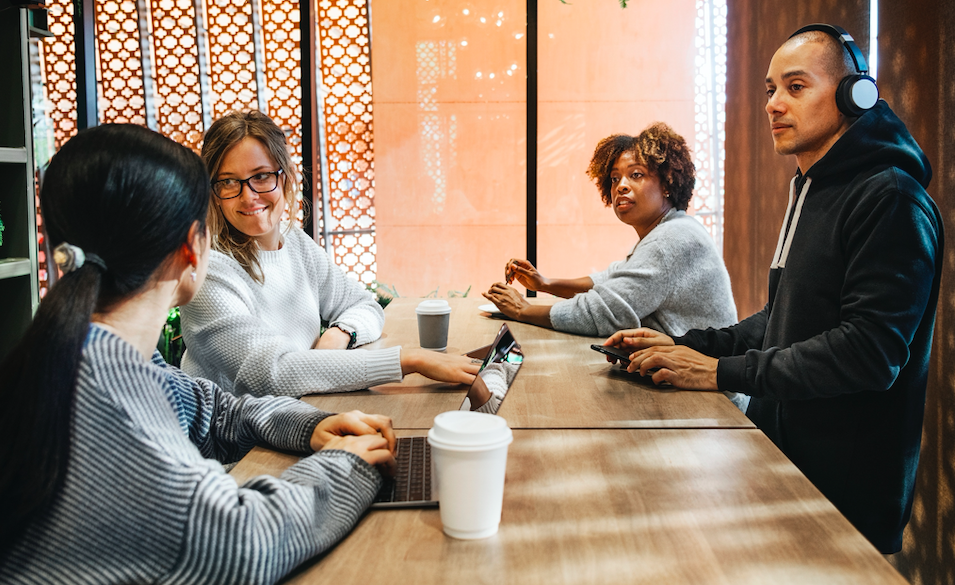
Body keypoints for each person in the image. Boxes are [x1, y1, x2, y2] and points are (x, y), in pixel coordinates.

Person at [0, 124, 399, 582]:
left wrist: (311, 426)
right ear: (192, 246)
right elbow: (240, 544)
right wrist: (347, 467)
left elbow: (211, 412)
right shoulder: (105, 398)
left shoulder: (93, 353)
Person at [605, 25, 943, 554]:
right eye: (770, 90)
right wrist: (689, 347)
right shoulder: (814, 188)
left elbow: (869, 354)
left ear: (855, 94)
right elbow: (782, 316)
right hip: (783, 463)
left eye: (796, 87)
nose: (774, 105)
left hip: (843, 495)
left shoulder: (892, 200)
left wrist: (719, 373)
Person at [180, 111, 478, 397]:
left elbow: (364, 306)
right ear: (214, 193)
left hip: (301, 414)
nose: (248, 196)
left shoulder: (296, 244)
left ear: (284, 178)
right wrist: (409, 361)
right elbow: (276, 373)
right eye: (229, 182)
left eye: (261, 176)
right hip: (237, 445)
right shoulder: (209, 270)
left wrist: (339, 334)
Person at [482, 122, 737, 340]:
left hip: (709, 395)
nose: (621, 186)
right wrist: (545, 283)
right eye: (615, 179)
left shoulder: (671, 239)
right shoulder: (670, 228)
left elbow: (606, 312)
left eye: (636, 175)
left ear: (668, 183)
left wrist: (521, 310)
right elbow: (613, 280)